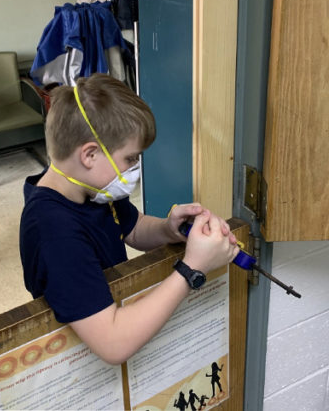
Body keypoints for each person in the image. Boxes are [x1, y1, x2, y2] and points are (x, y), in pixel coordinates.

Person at [19, 74, 239, 365]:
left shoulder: (92, 189)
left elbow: (132, 228)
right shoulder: (53, 232)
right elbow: (112, 344)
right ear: (90, 154)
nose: (135, 168)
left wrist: (168, 228)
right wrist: (192, 268)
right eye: (131, 158)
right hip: (87, 362)